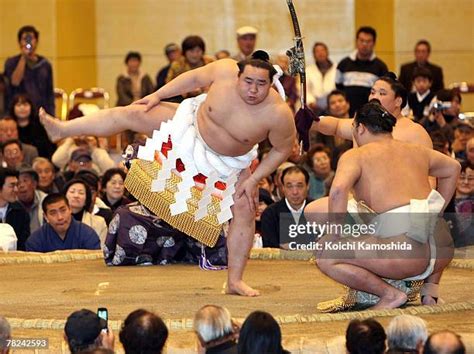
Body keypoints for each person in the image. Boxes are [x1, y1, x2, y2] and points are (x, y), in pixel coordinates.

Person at [39, 52, 296, 296]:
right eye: (248, 81)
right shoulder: (224, 70)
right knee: (133, 111)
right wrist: (157, 95)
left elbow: (282, 149)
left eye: (261, 84)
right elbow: (193, 78)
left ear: (271, 83)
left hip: (228, 162)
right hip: (190, 126)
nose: (253, 90)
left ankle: (235, 281)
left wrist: (253, 179)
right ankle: (62, 130)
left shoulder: (278, 114)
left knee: (245, 208)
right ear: (238, 75)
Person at [316, 101, 460, 309]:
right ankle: (430, 294)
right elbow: (453, 168)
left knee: (325, 254)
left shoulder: (356, 155)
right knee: (417, 220)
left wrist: (333, 234)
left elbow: (338, 191)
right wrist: (437, 211)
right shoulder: (417, 150)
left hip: (407, 254)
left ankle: (390, 294)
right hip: (443, 247)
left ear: (361, 128)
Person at [336, 26, 388, 116]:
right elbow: (338, 87)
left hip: (371, 115)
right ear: (356, 41)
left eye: (368, 41)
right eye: (361, 40)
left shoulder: (381, 67)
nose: (364, 44)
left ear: (374, 43)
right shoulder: (343, 64)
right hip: (346, 115)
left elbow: (384, 92)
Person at [3, 25, 54, 115]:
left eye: (31, 38)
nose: (28, 41)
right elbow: (14, 82)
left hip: (40, 112)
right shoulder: (11, 62)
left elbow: (49, 94)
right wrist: (24, 57)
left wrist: (51, 115)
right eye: (25, 39)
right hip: (17, 112)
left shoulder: (45, 64)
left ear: (37, 41)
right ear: (19, 42)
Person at [25, 193, 100, 252]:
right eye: (53, 213)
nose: (60, 217)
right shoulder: (36, 240)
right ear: (45, 216)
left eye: (63, 210)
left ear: (70, 209)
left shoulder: (87, 234)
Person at [261, 166, 313, 249]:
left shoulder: (317, 209)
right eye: (289, 186)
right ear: (283, 188)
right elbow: (270, 248)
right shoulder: (270, 214)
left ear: (307, 186)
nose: (295, 192)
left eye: (299, 186)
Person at [165, 35, 214, 100]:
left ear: (203, 51)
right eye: (191, 51)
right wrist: (186, 91)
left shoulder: (211, 63)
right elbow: (169, 86)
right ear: (185, 52)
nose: (195, 55)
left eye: (198, 51)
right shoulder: (177, 65)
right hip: (182, 101)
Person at [63, 179, 108, 247]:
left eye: (81, 193)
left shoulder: (99, 222)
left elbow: (101, 251)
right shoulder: (56, 220)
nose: (76, 195)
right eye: (72, 192)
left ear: (87, 199)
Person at [9, 93, 56, 158]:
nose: (22, 108)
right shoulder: (10, 126)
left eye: (25, 105)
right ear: (13, 108)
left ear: (31, 107)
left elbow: (47, 147)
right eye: (18, 105)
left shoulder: (40, 123)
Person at [0, 167, 30, 250]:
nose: (16, 189)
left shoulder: (20, 212)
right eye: (12, 185)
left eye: (17, 185)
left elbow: (23, 245)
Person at [307, 42, 336, 114]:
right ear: (314, 55)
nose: (320, 53)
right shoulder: (308, 70)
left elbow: (340, 88)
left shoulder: (337, 68)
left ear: (327, 52)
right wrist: (311, 102)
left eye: (322, 50)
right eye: (317, 51)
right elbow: (305, 90)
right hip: (314, 108)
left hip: (334, 107)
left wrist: (334, 102)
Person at [17, 168, 46, 233]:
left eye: (25, 181)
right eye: (17, 182)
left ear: (34, 184)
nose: (21, 185)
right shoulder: (10, 204)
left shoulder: (46, 201)